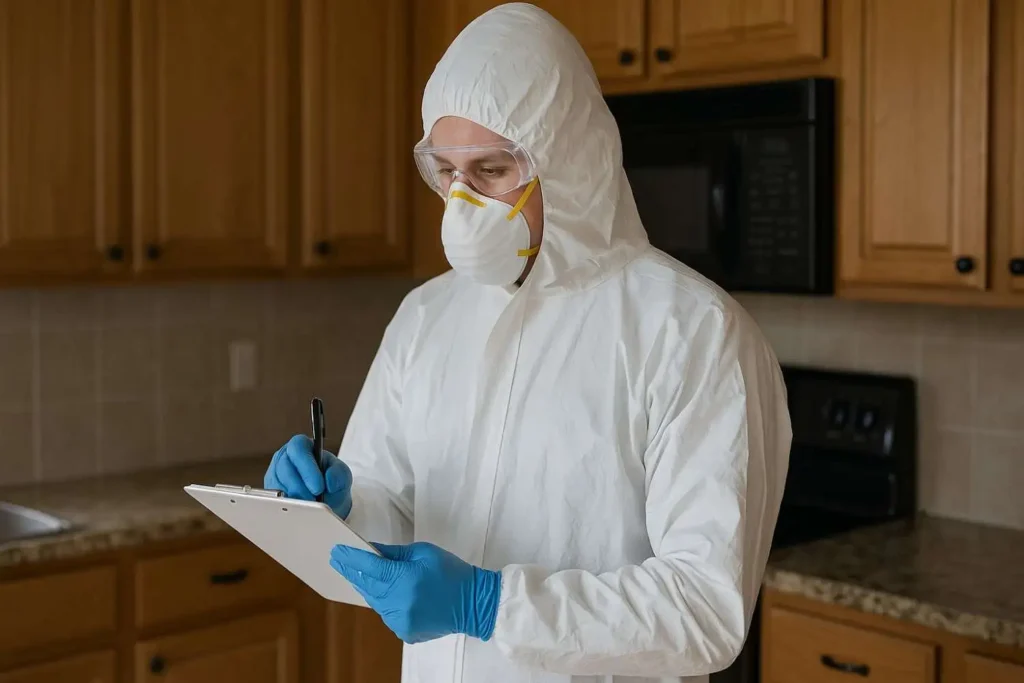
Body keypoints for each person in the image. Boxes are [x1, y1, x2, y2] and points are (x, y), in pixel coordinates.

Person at [263, 3, 792, 681]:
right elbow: (389, 517)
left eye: (490, 170)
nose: (461, 202)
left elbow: (704, 609)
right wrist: (334, 508)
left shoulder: (693, 334)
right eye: (448, 172)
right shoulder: (426, 318)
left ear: (567, 164)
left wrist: (491, 604)